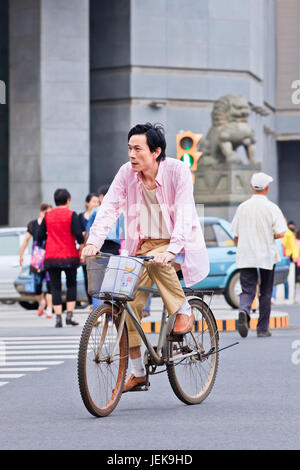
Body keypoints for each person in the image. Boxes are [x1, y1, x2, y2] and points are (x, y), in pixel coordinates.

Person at [81, 122, 209, 392]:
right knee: (126, 303)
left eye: (138, 149)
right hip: (141, 244)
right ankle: (138, 373)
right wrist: (93, 242)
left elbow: (185, 214)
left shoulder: (178, 171)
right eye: (129, 148)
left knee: (159, 263)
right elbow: (109, 208)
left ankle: (184, 310)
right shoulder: (126, 173)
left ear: (156, 151)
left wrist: (171, 249)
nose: (131, 154)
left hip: (177, 242)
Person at [230, 172, 287, 338]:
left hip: (246, 254)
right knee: (266, 291)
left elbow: (235, 235)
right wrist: (270, 235)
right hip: (266, 255)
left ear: (251, 187)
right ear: (267, 188)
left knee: (247, 290)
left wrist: (241, 247)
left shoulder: (242, 207)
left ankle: (244, 311)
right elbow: (282, 233)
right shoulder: (272, 208)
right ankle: (262, 329)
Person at [38, 188, 84, 328]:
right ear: (68, 200)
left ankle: (58, 318)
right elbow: (78, 235)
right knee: (71, 284)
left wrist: (49, 238)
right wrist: (82, 248)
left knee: (55, 287)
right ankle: (69, 315)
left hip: (51, 256)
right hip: (69, 255)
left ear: (55, 201)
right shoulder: (72, 214)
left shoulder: (48, 216)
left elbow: (39, 236)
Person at [19, 203, 53, 318]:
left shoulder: (51, 224)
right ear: (41, 211)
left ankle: (49, 308)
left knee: (50, 284)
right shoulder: (33, 224)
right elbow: (26, 240)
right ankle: (41, 303)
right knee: (37, 286)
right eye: (47, 212)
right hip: (37, 260)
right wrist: (21, 255)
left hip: (49, 258)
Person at [78, 193, 99, 307]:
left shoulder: (100, 215)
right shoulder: (80, 217)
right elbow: (79, 235)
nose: (96, 204)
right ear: (87, 203)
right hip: (85, 249)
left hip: (97, 249)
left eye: (97, 202)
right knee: (88, 278)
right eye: (93, 201)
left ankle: (96, 305)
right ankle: (92, 303)